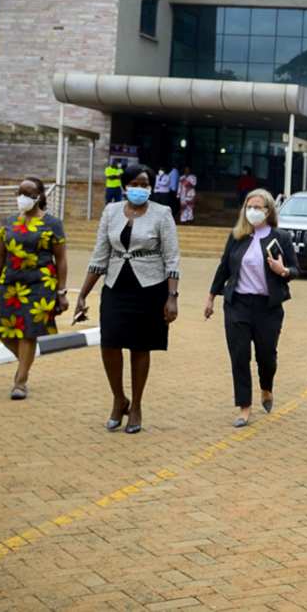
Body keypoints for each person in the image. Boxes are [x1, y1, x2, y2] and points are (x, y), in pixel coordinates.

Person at [76, 164, 181, 434]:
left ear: (151, 187)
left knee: (139, 346)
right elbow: (99, 255)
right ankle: (118, 398)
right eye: (135, 184)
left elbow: (172, 258)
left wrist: (172, 297)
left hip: (150, 287)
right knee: (109, 342)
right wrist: (83, 294)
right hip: (116, 285)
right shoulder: (111, 212)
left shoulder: (162, 213)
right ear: (125, 186)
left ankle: (136, 407)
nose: (140, 189)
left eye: (145, 184)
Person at [205, 190, 299, 427]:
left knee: (266, 356)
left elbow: (295, 269)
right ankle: (244, 406)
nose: (253, 212)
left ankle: (266, 387)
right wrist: (211, 297)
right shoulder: (237, 236)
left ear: (268, 211)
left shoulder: (281, 238)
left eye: (258, 207)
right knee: (239, 355)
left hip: (267, 307)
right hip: (237, 304)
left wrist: (283, 271)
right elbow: (224, 267)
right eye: (249, 206)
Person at [0, 177, 68, 400]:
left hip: (40, 285)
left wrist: (61, 292)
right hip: (11, 285)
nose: (22, 198)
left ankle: (20, 382)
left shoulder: (52, 224)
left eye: (28, 194)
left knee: (28, 333)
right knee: (5, 333)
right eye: (20, 192)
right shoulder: (9, 222)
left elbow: (61, 260)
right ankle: (26, 360)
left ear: (40, 197)